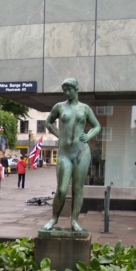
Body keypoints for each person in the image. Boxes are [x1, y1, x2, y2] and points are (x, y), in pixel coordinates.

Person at [43, 78, 101, 231]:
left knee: (78, 188)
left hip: (81, 152)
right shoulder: (59, 107)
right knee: (62, 189)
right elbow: (48, 122)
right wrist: (59, 135)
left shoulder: (85, 109)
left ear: (76, 89)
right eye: (65, 90)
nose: (67, 93)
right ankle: (54, 218)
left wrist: (88, 136)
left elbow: (97, 126)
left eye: (70, 90)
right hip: (65, 154)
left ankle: (74, 220)